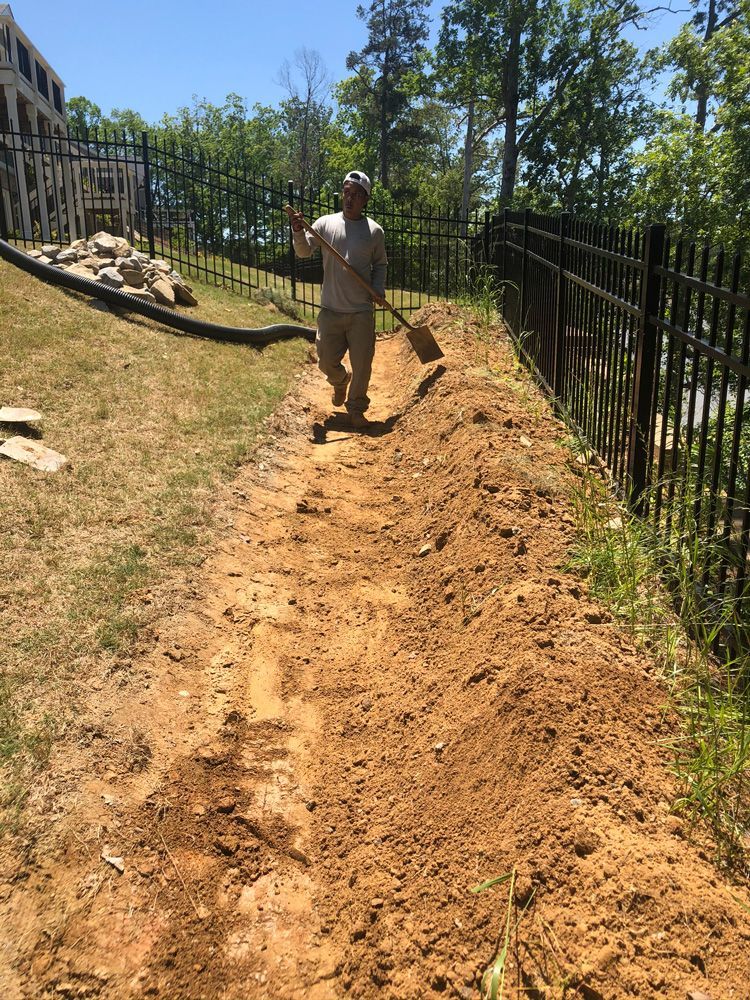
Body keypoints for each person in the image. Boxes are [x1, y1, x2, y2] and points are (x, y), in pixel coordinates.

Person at [289, 171, 387, 429]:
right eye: (346, 192)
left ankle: (356, 408)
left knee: (363, 364)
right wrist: (298, 231)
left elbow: (380, 264)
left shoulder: (374, 231)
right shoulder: (324, 224)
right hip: (331, 309)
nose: (349, 198)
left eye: (356, 194)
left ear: (365, 199)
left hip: (361, 312)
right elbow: (302, 251)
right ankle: (340, 381)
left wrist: (378, 289)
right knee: (325, 359)